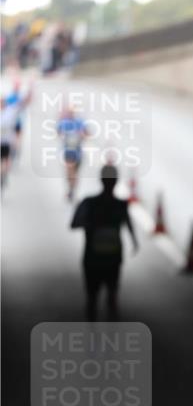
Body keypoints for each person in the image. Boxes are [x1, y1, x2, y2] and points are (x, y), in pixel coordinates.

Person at [70, 162, 138, 320]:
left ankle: (92, 332)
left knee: (92, 298)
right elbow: (128, 224)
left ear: (101, 179)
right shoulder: (120, 205)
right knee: (111, 297)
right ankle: (112, 331)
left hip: (92, 258)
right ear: (116, 181)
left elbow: (74, 223)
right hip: (113, 258)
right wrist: (134, 242)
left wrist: (91, 224)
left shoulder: (89, 203)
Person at [57, 105, 88, 201]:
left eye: (72, 113)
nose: (71, 114)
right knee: (69, 170)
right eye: (69, 113)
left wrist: (81, 134)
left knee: (75, 173)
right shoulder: (64, 122)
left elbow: (86, 133)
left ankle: (72, 189)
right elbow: (58, 131)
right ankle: (70, 189)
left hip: (77, 151)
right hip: (68, 151)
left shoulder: (80, 122)